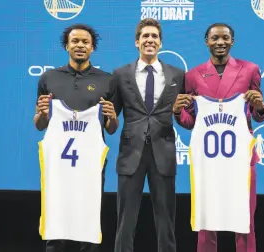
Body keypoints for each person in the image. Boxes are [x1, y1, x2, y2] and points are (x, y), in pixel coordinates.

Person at [173, 23, 264, 252]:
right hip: (208, 160)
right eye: (215, 38)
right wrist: (177, 112)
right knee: (207, 221)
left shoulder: (250, 69)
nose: (220, 42)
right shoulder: (192, 75)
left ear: (232, 41)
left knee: (245, 219)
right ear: (207, 41)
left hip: (241, 160)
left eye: (225, 38)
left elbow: (258, 115)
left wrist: (261, 107)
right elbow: (191, 122)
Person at [34, 23, 119, 252]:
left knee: (89, 215)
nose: (80, 45)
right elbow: (40, 124)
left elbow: (111, 128)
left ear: (92, 48)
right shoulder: (49, 78)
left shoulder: (107, 81)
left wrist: (112, 117)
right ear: (67, 45)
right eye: (75, 41)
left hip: (90, 164)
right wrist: (42, 113)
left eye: (85, 42)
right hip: (58, 164)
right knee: (56, 212)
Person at [110, 18, 185, 252]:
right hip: (130, 155)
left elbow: (186, 119)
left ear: (161, 43)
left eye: (154, 36)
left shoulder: (178, 75)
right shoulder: (120, 74)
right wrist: (108, 118)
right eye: (145, 36)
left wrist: (180, 113)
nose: (150, 40)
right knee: (125, 221)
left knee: (166, 223)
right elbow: (111, 123)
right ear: (137, 42)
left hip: (164, 154)